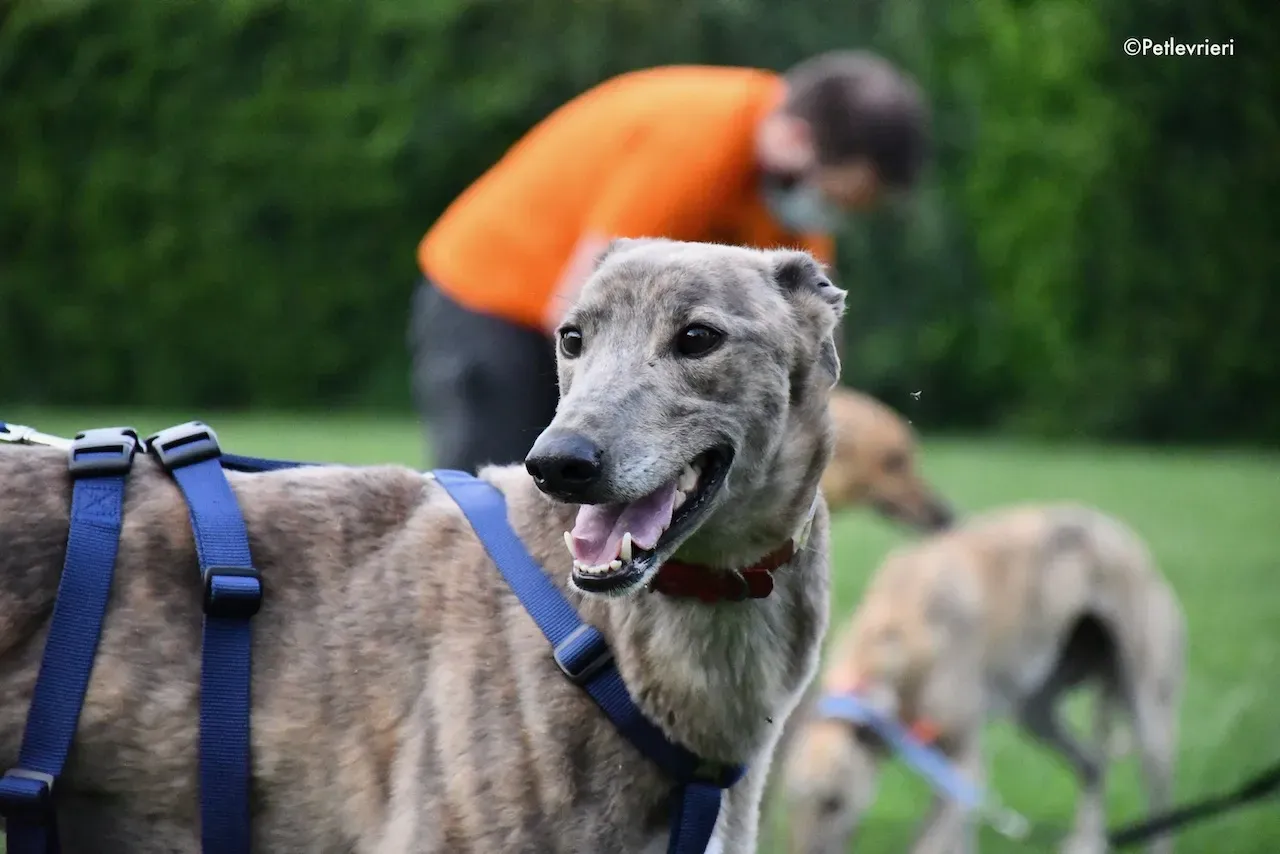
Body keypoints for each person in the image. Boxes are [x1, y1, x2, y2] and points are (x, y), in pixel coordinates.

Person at [409, 50, 931, 473]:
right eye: (834, 199)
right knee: (499, 503)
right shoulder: (695, 143)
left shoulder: (784, 186)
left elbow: (811, 329)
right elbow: (585, 303)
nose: (828, 215)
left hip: (577, 318)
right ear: (796, 138)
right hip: (493, 301)